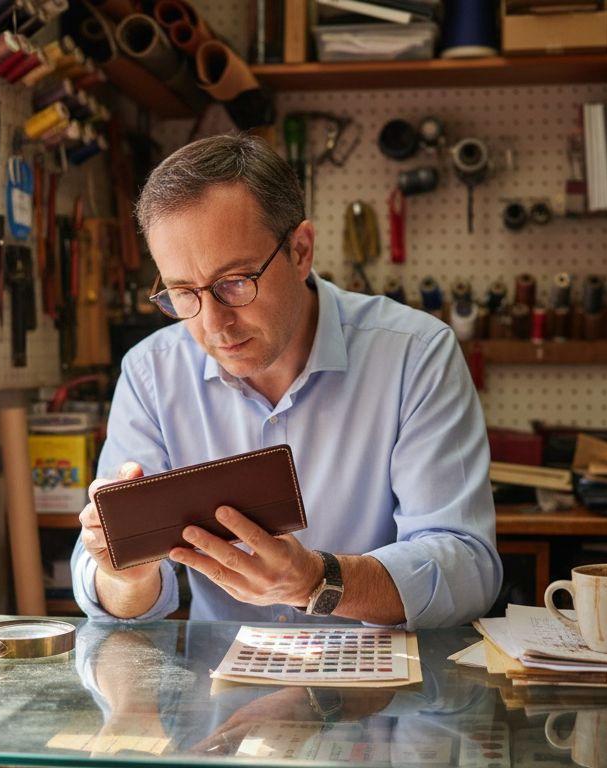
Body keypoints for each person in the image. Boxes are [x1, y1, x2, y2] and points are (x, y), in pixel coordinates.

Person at [71, 133, 502, 629]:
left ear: (300, 251)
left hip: (382, 693)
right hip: (223, 696)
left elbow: (468, 569)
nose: (212, 325)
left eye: (235, 282)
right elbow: (121, 604)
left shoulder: (416, 355)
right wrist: (127, 576)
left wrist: (319, 581)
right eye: (182, 292)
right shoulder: (150, 374)